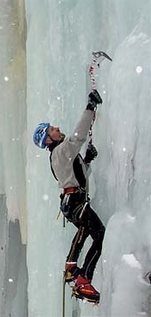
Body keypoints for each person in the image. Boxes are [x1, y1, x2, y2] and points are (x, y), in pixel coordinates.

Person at [33, 90, 106, 303]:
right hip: (75, 202)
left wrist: (87, 161)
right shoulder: (60, 151)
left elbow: (76, 176)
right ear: (48, 139)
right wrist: (90, 108)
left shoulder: (58, 156)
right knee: (99, 234)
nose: (57, 129)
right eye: (52, 129)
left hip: (72, 202)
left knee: (91, 233)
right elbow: (78, 136)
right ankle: (82, 278)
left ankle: (73, 268)